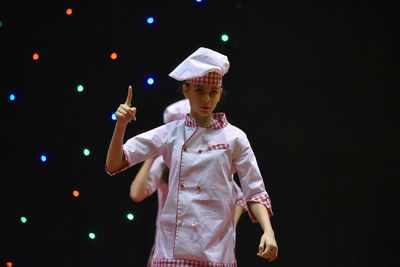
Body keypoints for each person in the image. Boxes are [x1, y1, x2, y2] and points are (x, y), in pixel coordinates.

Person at [106, 47, 278, 266]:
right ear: (186, 90)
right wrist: (120, 125)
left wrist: (268, 232)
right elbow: (114, 164)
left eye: (213, 92)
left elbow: (254, 191)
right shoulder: (170, 133)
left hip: (217, 251)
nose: (206, 99)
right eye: (199, 91)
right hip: (171, 253)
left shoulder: (235, 137)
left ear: (220, 93)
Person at [129, 98, 248, 266]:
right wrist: (154, 153)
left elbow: (238, 199)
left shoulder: (209, 158)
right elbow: (136, 194)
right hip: (169, 246)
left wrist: (226, 231)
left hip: (206, 248)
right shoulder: (163, 164)